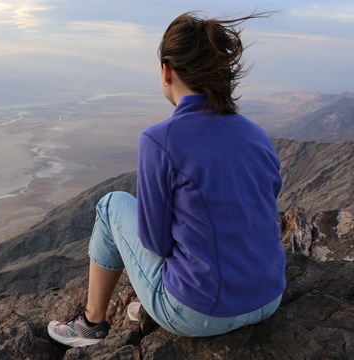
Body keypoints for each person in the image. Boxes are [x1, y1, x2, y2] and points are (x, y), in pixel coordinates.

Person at [47, 11, 286, 347]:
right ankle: (151, 302)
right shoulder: (256, 135)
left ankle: (91, 323)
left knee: (111, 204)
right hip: (268, 299)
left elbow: (155, 243)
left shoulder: (161, 139)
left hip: (198, 314)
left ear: (167, 70)